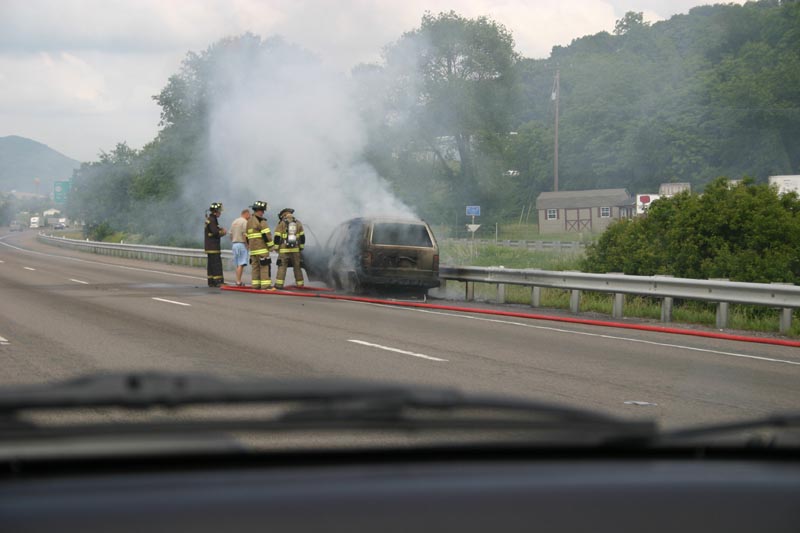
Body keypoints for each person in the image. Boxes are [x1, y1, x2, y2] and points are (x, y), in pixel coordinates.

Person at [273, 207, 305, 290]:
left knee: (282, 267)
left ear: (284, 215)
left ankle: (279, 285)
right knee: (297, 267)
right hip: (295, 250)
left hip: (284, 250)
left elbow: (277, 237)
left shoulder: (282, 223)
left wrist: (276, 248)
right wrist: (300, 247)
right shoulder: (298, 223)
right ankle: (300, 285)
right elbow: (302, 237)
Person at [245, 201, 274, 290]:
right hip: (261, 249)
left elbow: (247, 236)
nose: (263, 212)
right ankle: (265, 286)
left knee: (255, 268)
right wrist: (271, 246)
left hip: (253, 250)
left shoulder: (249, 221)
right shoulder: (261, 221)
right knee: (264, 267)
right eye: (262, 210)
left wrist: (250, 245)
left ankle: (256, 285)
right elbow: (267, 236)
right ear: (259, 210)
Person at [204, 202, 227, 287]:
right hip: (213, 246)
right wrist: (222, 232)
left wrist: (219, 228)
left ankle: (211, 281)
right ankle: (218, 281)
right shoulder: (212, 220)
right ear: (215, 211)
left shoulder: (211, 219)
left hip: (210, 246)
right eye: (219, 211)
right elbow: (215, 232)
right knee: (216, 264)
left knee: (211, 265)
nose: (220, 213)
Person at [229, 208, 251, 286]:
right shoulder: (244, 222)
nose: (250, 216)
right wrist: (247, 245)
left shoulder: (234, 221)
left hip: (234, 244)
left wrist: (233, 241)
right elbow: (245, 234)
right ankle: (238, 281)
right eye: (249, 215)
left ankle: (237, 280)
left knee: (238, 264)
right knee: (241, 264)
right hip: (241, 244)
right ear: (246, 214)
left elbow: (230, 234)